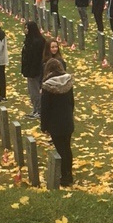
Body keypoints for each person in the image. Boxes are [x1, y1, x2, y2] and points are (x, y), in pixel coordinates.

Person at [40, 58, 75, 188]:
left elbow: (45, 108)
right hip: (67, 121)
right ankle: (68, 173)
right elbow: (72, 102)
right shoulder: (68, 82)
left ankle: (65, 176)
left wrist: (44, 126)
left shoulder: (47, 86)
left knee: (60, 149)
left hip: (55, 123)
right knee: (67, 148)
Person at [21, 21, 46, 119]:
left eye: (27, 28)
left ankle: (39, 110)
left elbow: (36, 58)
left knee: (35, 91)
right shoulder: (29, 40)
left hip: (35, 71)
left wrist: (32, 71)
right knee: (31, 91)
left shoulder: (37, 42)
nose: (25, 30)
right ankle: (35, 109)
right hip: (29, 70)